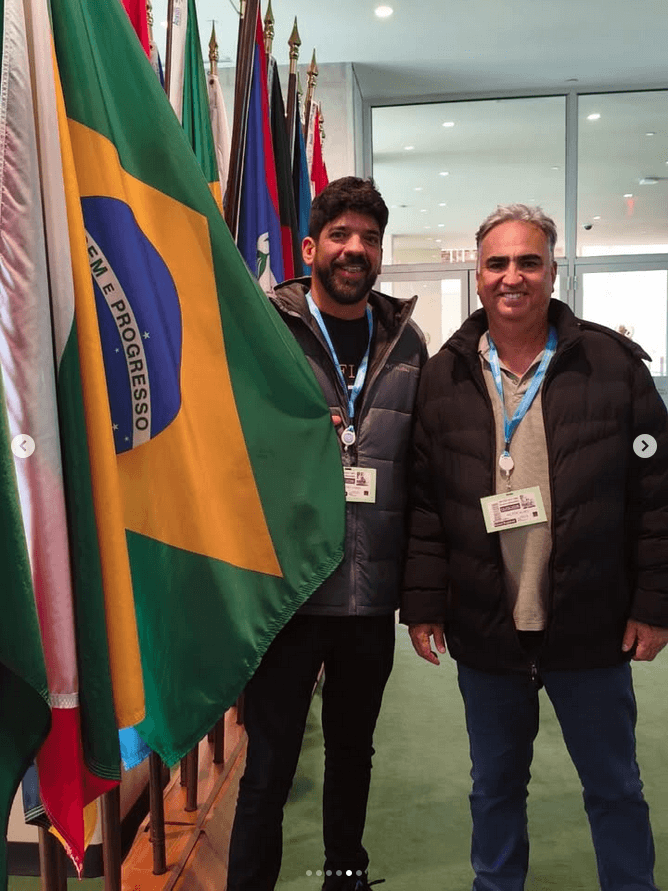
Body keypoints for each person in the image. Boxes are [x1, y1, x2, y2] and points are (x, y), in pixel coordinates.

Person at [401, 204, 668, 891]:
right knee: (493, 788)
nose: (511, 276)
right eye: (497, 263)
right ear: (478, 274)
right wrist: (423, 604)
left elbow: (657, 496)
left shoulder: (612, 366)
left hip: (591, 623)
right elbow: (426, 505)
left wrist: (654, 603)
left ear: (553, 271)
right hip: (487, 627)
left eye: (528, 262)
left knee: (614, 787)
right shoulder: (444, 375)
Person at [227, 177, 428, 891]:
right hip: (288, 594)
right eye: (340, 235)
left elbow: (423, 470)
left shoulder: (407, 345)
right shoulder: (264, 330)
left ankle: (345, 876)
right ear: (310, 248)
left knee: (352, 753)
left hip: (369, 597)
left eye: (369, 238)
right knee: (271, 763)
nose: (355, 249)